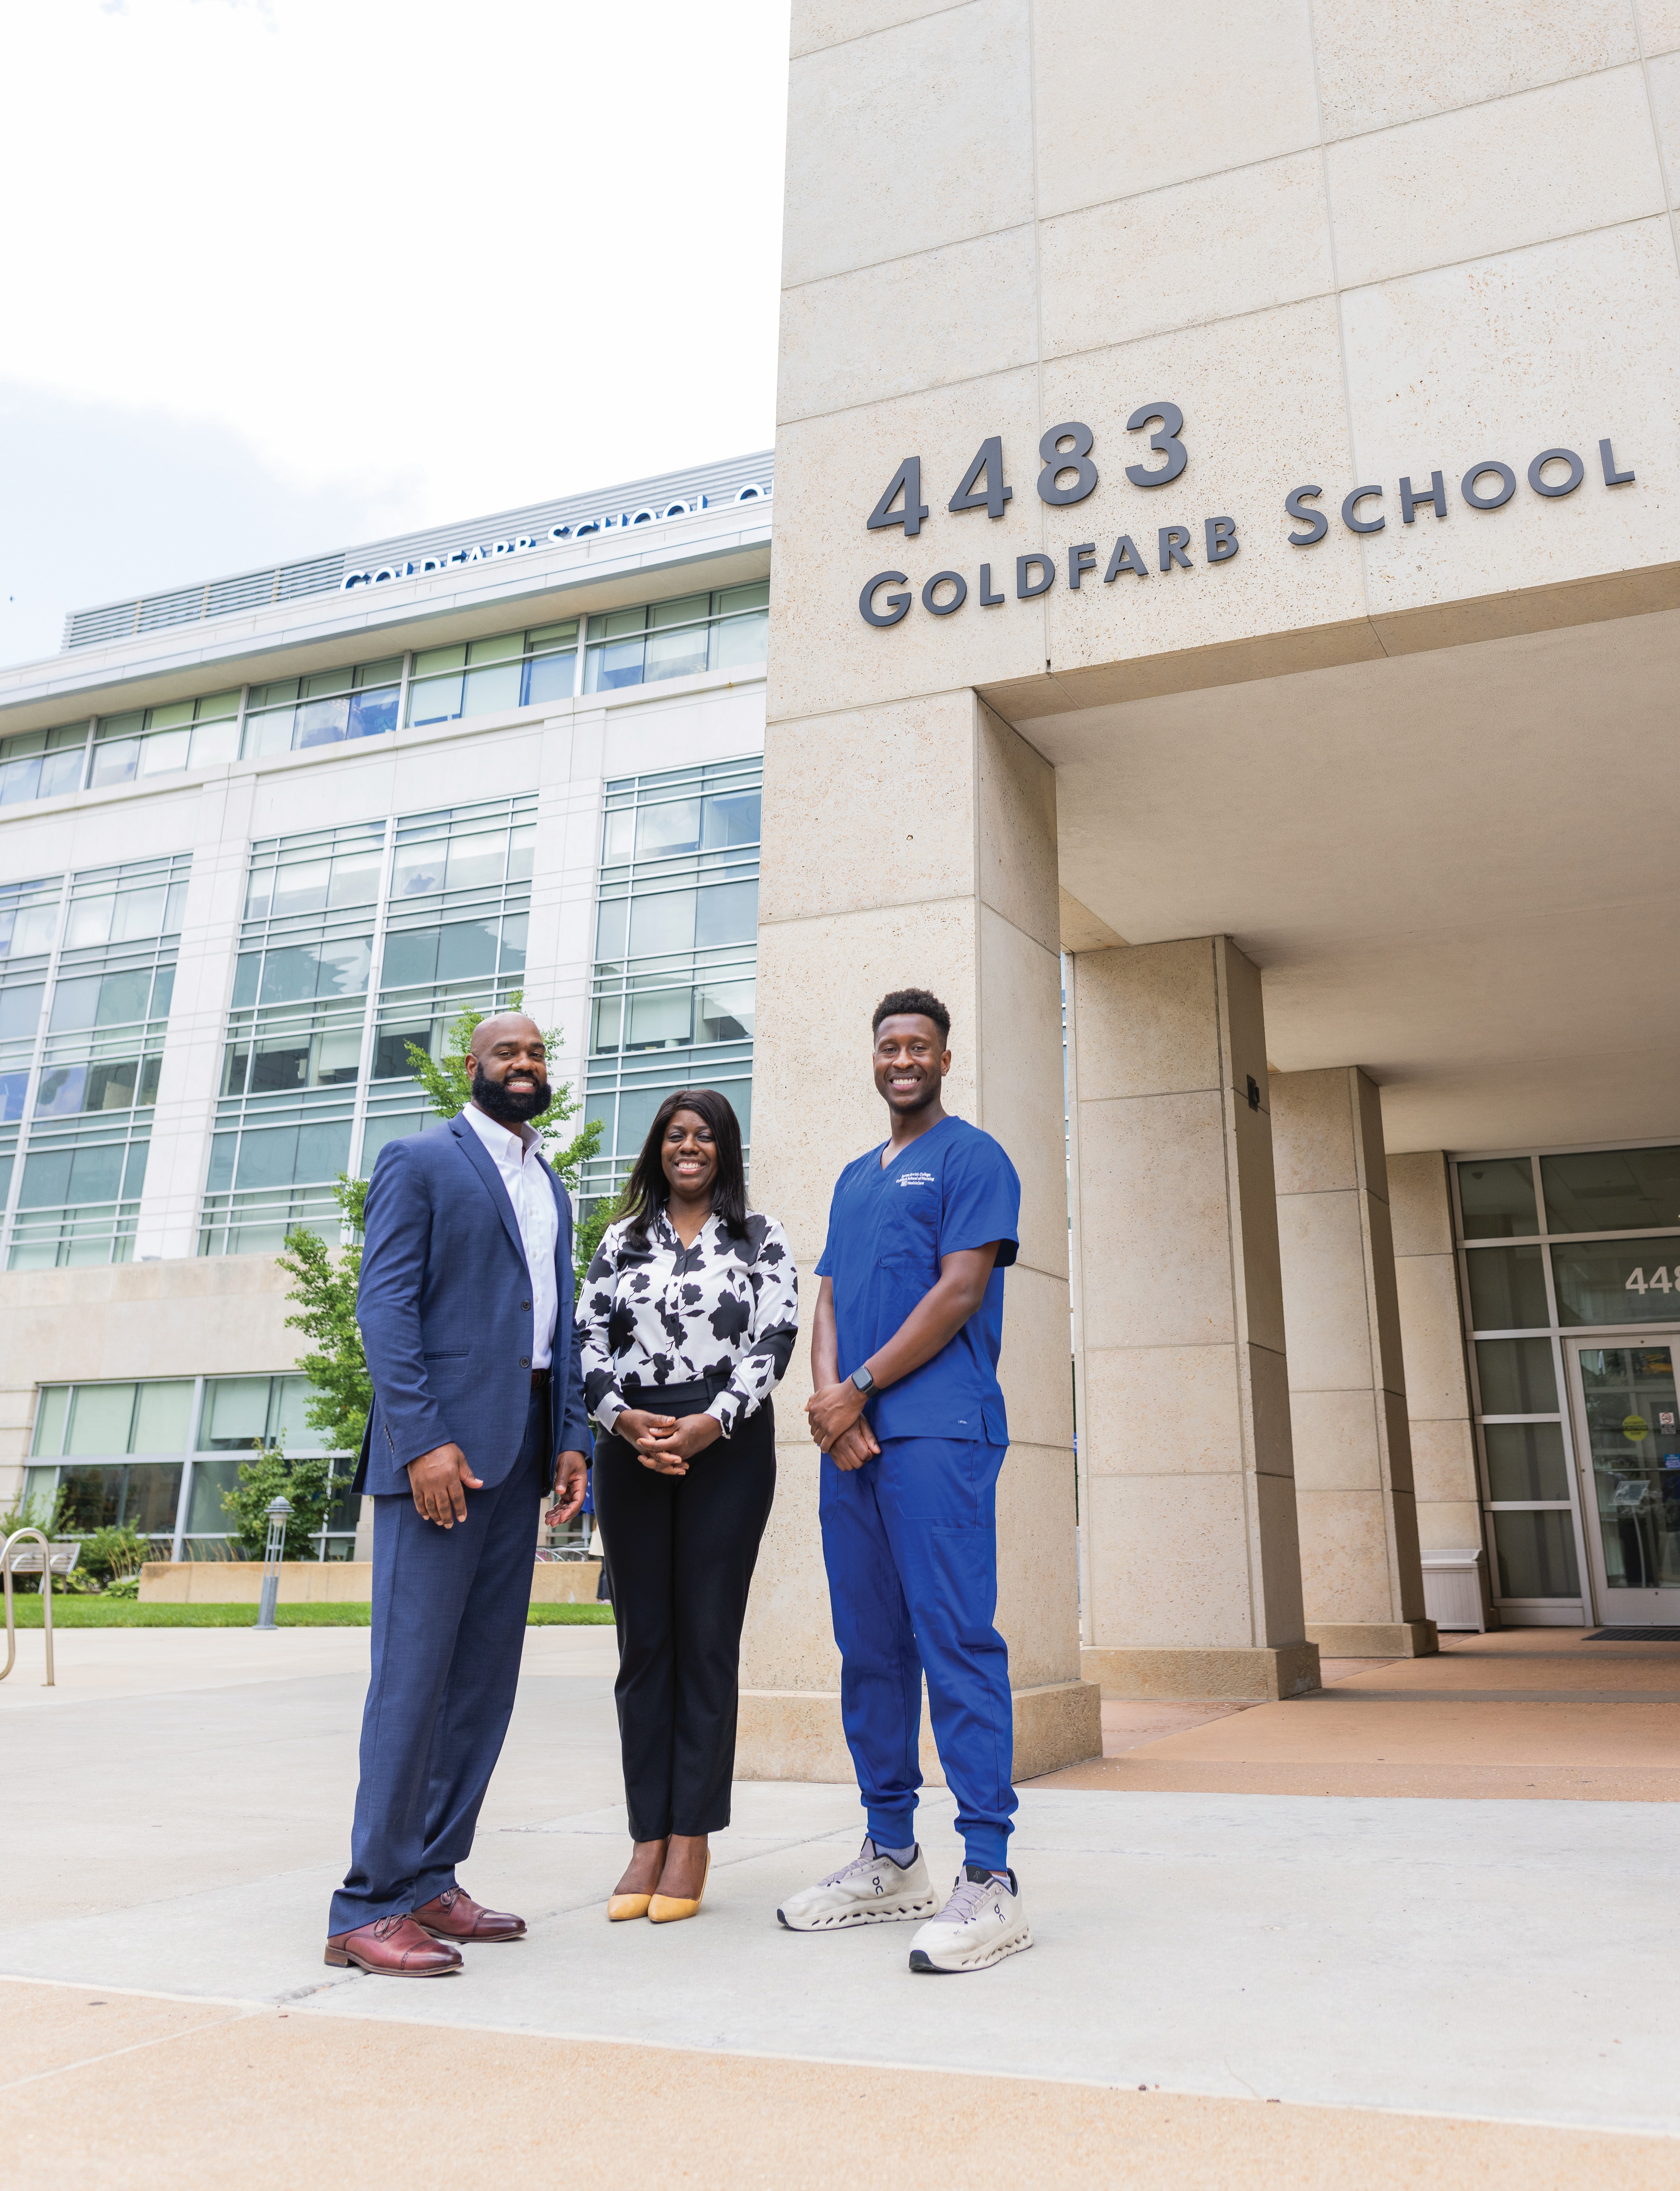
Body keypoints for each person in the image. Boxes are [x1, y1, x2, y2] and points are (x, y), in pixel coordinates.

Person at [325, 1012, 591, 1977]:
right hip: (440, 1459)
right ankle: (365, 1903)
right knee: (413, 1682)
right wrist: (422, 1441)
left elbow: (553, 1325)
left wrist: (570, 1438)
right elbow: (383, 1305)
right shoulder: (419, 1160)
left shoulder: (547, 1181)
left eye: (535, 1054)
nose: (523, 1065)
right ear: (471, 1070)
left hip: (520, 1453)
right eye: (504, 1054)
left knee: (481, 1682)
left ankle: (431, 1875)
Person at [776, 988, 1030, 1975]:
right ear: (873, 1059)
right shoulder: (851, 1178)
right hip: (855, 1443)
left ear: (944, 1060)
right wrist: (831, 1403)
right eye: (889, 1045)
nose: (903, 1059)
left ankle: (990, 1876)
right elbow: (829, 1297)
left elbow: (959, 1289)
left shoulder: (973, 1158)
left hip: (935, 1433)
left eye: (920, 1045)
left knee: (955, 1640)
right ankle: (891, 1855)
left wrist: (865, 1390)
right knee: (869, 1648)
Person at [580, 1088, 797, 1923]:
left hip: (726, 1445)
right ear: (657, 1149)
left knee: (705, 1640)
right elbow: (586, 1338)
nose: (689, 1147)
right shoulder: (620, 1239)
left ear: (725, 1150)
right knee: (645, 1648)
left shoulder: (758, 1236)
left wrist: (710, 1424)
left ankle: (692, 1838)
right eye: (676, 1135)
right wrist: (621, 1418)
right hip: (630, 1442)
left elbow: (773, 1338)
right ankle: (647, 1835)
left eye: (704, 1136)